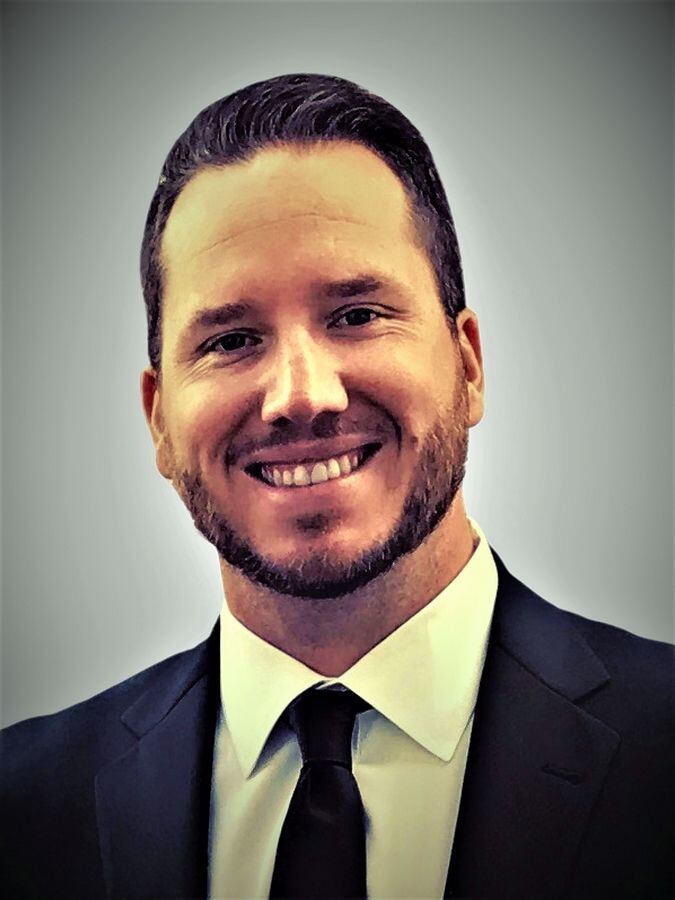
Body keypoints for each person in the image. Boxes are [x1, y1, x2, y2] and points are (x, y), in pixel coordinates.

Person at [1, 73, 673, 900]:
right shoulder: (20, 809)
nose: (301, 395)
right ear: (158, 422)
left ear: (467, 364)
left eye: (356, 315)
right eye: (231, 340)